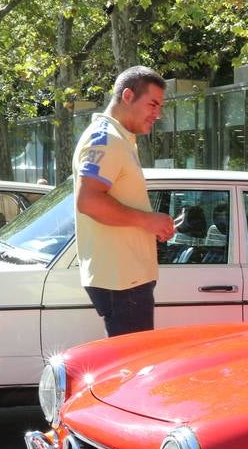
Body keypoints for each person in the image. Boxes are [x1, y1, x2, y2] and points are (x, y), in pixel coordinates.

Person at [72, 65, 175, 337]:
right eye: (153, 104)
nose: (157, 114)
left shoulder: (118, 138)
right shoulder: (106, 138)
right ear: (128, 96)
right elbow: (89, 201)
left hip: (125, 280)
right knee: (132, 370)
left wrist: (150, 224)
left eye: (160, 106)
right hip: (122, 283)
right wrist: (147, 221)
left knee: (131, 366)